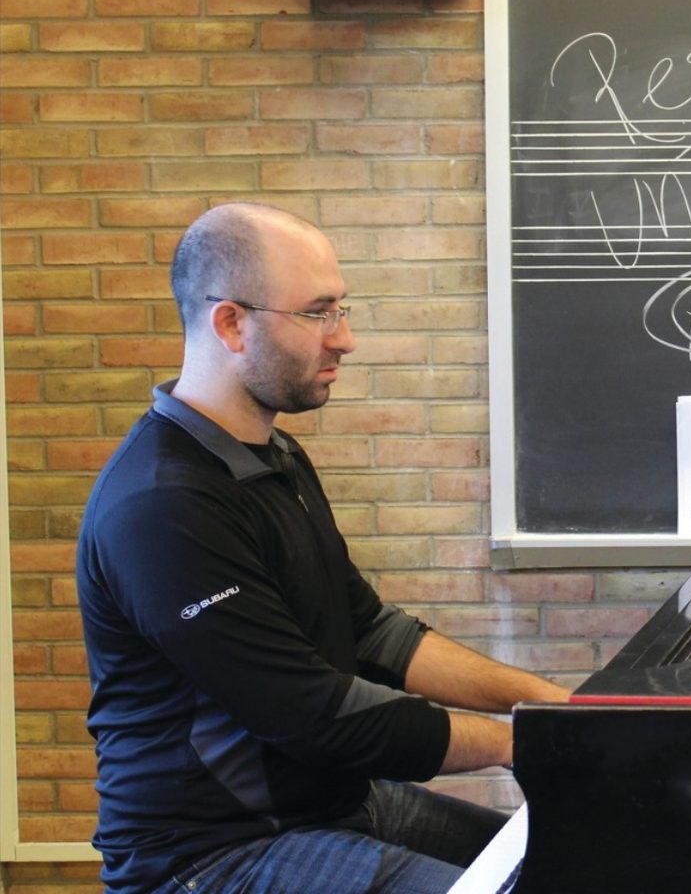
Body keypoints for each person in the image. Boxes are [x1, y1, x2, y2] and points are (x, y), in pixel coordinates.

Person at [76, 203, 568, 894]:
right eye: (318, 313)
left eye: (341, 309)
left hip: (324, 803)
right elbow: (313, 717)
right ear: (230, 323)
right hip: (210, 855)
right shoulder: (163, 505)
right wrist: (519, 744)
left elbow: (373, 633)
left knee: (568, 859)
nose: (346, 339)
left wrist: (553, 708)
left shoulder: (274, 456)